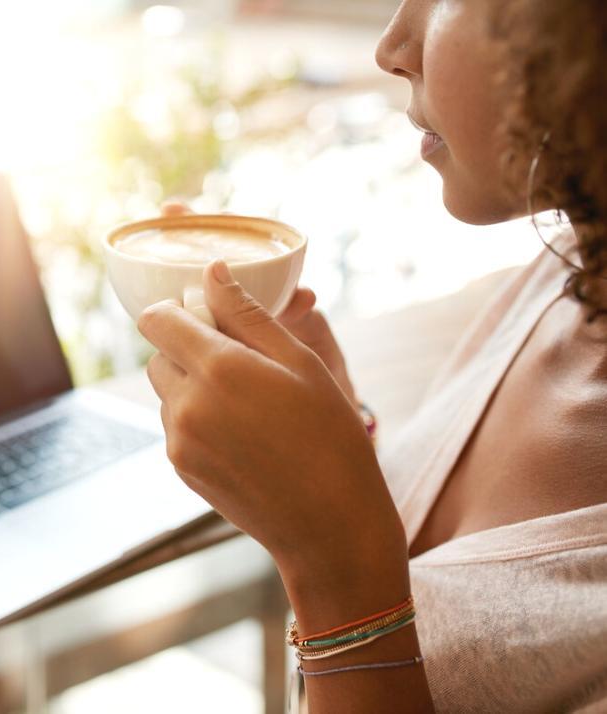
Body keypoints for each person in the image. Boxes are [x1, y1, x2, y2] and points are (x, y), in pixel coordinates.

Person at [137, 1, 607, 711]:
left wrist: (330, 575)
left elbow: (379, 601)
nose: (390, 46)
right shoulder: (569, 264)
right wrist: (333, 439)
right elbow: (425, 568)